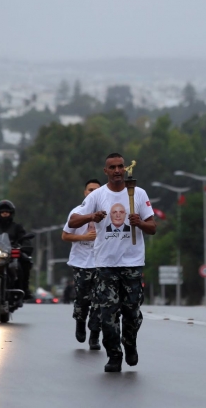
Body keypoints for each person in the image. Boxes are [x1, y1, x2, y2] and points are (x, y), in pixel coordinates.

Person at [69, 153, 156, 373]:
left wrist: (140, 223)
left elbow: (153, 227)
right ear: (106, 171)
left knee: (132, 312)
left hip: (132, 263)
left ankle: (130, 343)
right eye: (113, 167)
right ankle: (114, 355)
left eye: (120, 166)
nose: (117, 170)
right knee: (108, 314)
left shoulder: (138, 193)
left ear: (125, 169)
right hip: (106, 264)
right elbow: (73, 221)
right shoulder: (97, 195)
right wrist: (92, 217)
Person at [62, 178, 102, 350]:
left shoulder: (107, 212)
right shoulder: (77, 213)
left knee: (100, 300)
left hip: (102, 263)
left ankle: (95, 335)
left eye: (97, 190)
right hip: (81, 263)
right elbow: (65, 235)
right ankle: (80, 321)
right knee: (83, 298)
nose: (93, 193)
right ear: (85, 193)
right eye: (90, 190)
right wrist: (84, 237)